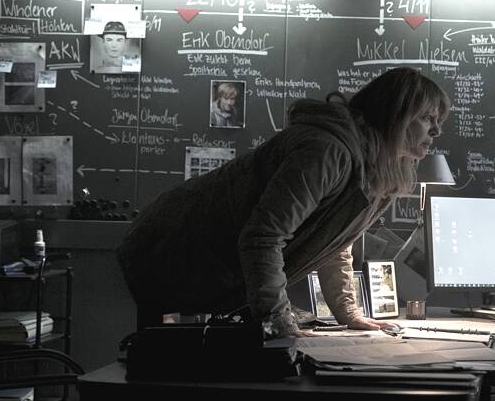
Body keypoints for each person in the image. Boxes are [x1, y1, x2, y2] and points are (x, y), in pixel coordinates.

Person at [117, 67, 451, 338]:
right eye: (426, 118)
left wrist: (348, 313)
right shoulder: (327, 152)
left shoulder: (372, 168)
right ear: (393, 116)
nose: (436, 131)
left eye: (439, 122)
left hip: (203, 268)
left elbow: (334, 242)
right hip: (163, 252)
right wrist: (277, 320)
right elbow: (263, 237)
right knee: (153, 373)